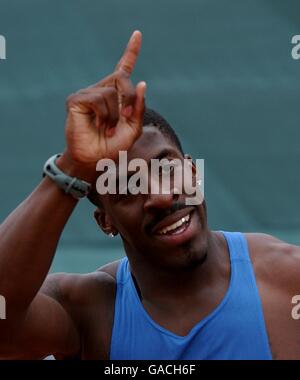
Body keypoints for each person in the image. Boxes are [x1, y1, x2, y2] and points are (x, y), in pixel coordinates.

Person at [0, 30, 299, 360]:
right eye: (128, 186)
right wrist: (71, 166)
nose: (159, 195)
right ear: (106, 222)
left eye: (167, 168)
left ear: (193, 172)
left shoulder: (287, 281)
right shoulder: (89, 314)